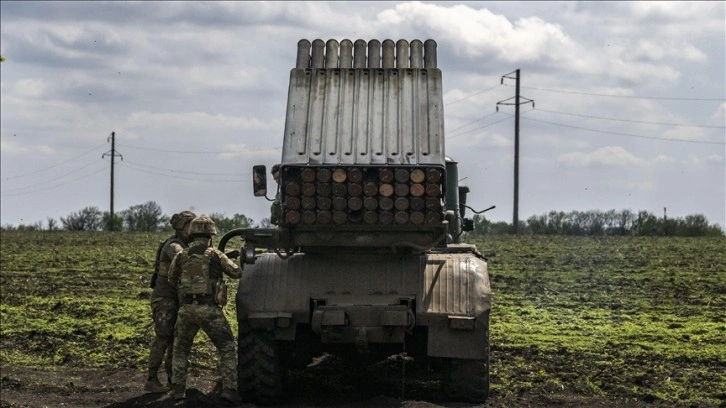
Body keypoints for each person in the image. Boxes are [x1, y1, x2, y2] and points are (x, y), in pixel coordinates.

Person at [168, 215, 243, 404]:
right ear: (211, 234)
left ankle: (178, 391)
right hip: (209, 310)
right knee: (226, 348)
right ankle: (229, 390)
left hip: (186, 310)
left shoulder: (181, 255)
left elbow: (171, 278)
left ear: (192, 234)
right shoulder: (215, 254)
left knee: (180, 349)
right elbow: (236, 273)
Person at [144, 210, 196, 393]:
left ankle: (172, 379)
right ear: (183, 227)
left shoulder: (184, 244)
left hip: (176, 299)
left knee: (176, 340)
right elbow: (183, 258)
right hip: (165, 299)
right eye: (191, 225)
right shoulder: (173, 245)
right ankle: (151, 379)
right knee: (164, 337)